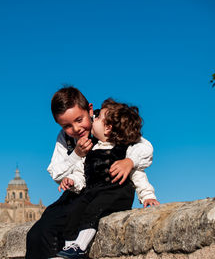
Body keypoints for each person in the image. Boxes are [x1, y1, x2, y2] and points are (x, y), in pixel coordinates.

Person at [25, 87, 156, 259]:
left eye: (79, 120)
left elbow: (143, 146)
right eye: (67, 126)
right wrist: (76, 155)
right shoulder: (65, 138)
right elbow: (56, 173)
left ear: (89, 109)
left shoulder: (107, 121)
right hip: (78, 190)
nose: (76, 129)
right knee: (39, 231)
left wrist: (129, 161)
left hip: (106, 191)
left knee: (76, 219)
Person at [56, 99, 159, 259]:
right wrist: (72, 181)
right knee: (74, 210)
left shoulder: (124, 151)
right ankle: (69, 247)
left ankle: (80, 246)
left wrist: (148, 196)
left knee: (94, 208)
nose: (93, 118)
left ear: (108, 127)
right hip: (92, 192)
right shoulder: (90, 150)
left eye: (97, 118)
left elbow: (138, 175)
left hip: (115, 193)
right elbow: (81, 174)